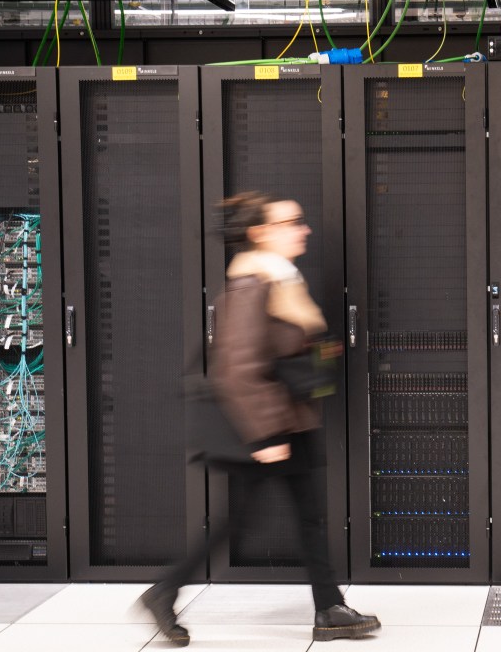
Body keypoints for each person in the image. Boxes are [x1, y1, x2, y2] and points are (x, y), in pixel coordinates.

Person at [140, 192, 380, 647]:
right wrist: (267, 432)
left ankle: (329, 608)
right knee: (249, 520)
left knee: (299, 516)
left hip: (287, 420)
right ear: (261, 232)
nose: (302, 228)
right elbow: (237, 367)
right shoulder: (254, 284)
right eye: (291, 222)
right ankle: (166, 590)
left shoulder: (279, 279)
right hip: (267, 426)